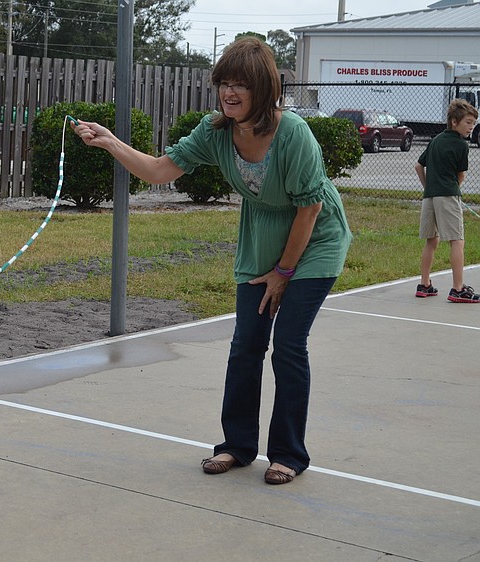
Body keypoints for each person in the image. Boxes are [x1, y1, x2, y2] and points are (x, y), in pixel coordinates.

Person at [71, 37, 351, 485]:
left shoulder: (293, 132)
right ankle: (237, 446)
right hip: (262, 236)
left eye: (241, 84)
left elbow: (310, 208)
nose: (230, 92)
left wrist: (283, 274)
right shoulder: (216, 130)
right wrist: (109, 142)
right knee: (245, 345)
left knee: (289, 344)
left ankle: (288, 454)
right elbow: (159, 170)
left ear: (264, 89)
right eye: (224, 83)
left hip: (314, 239)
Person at [414, 98, 479, 303]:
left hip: (429, 197)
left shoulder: (435, 140)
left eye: (473, 123)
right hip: (448, 195)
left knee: (431, 240)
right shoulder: (461, 145)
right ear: (454, 121)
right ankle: (458, 289)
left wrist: (429, 188)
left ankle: (424, 285)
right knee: (457, 241)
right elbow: (461, 176)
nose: (471, 127)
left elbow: (418, 166)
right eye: (468, 122)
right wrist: (451, 191)